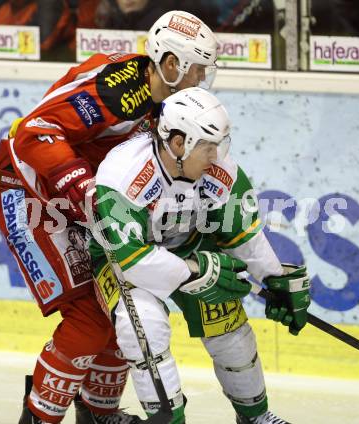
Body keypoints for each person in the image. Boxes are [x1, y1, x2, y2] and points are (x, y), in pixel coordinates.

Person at [0, 10, 218, 424]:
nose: (203, 79)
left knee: (119, 305)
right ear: (171, 65)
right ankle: (38, 418)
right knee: (90, 316)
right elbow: (33, 133)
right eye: (198, 69)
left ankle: (98, 413)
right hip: (31, 193)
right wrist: (87, 191)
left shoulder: (167, 107)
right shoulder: (117, 90)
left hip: (82, 206)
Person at [89, 87, 311, 423]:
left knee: (232, 334)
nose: (216, 156)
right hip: (119, 257)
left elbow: (242, 233)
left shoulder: (219, 171)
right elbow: (133, 261)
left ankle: (256, 416)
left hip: (188, 243)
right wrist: (196, 271)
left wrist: (273, 277)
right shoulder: (122, 175)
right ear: (178, 143)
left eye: (221, 144)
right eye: (208, 146)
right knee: (144, 328)